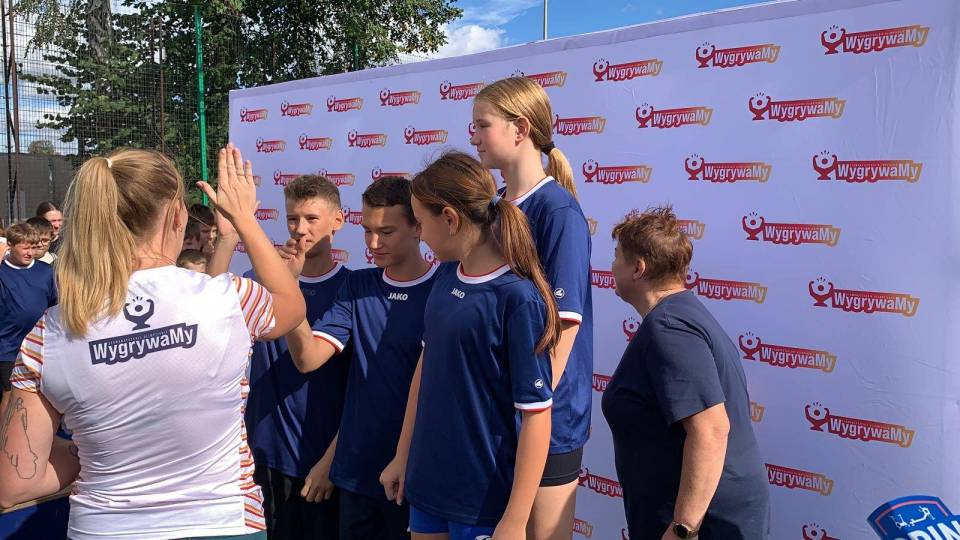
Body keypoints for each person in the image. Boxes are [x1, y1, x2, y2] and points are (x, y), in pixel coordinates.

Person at [0, 145, 305, 540]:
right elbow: (290, 305)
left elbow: (16, 481)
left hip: (105, 528)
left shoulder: (49, 333)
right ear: (178, 215)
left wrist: (94, 451)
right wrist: (245, 221)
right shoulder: (229, 299)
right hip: (221, 521)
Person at [380, 152, 557, 539]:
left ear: (449, 219)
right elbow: (426, 365)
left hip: (481, 500)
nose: (419, 234)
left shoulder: (518, 299)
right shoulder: (445, 277)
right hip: (427, 486)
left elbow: (537, 415)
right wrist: (402, 454)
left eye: (420, 222)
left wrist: (515, 518)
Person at [471, 75, 593, 538]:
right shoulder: (493, 208)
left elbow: (566, 324)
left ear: (520, 128)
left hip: (547, 422)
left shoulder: (557, 211)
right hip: (498, 414)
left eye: (483, 125)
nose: (474, 137)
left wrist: (532, 410)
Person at [601, 207, 769, 540]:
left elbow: (711, 430)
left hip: (703, 524)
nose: (611, 266)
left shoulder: (669, 328)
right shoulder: (677, 316)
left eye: (617, 257)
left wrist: (683, 530)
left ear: (638, 268)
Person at [285, 176, 436, 540]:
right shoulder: (358, 286)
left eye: (386, 232)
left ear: (418, 226)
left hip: (417, 475)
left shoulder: (444, 286)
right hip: (356, 477)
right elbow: (307, 358)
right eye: (367, 230)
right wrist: (288, 289)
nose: (373, 243)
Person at [209, 174, 351, 540]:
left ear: (338, 220)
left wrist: (332, 459)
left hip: (319, 461)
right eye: (292, 219)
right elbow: (205, 308)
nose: (300, 229)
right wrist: (228, 238)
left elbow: (352, 386)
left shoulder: (351, 289)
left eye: (312, 218)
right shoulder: (257, 279)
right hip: (261, 453)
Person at [0, 222, 56, 412]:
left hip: (40, 346)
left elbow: (54, 305)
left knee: (42, 394)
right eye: (25, 248)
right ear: (10, 245)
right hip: (8, 347)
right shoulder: (2, 272)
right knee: (10, 396)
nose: (30, 253)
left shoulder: (45, 271)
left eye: (33, 247)